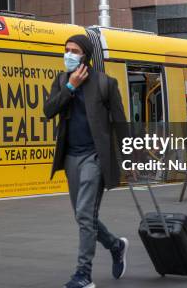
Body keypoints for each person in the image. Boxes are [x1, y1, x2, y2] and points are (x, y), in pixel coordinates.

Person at [44, 34, 129, 288]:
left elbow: (121, 124)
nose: (69, 54)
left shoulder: (105, 84)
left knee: (84, 213)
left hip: (96, 157)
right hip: (71, 157)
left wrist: (130, 159)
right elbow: (48, 111)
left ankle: (83, 275)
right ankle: (115, 246)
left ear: (86, 56)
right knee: (84, 217)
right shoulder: (61, 81)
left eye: (75, 51)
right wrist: (70, 87)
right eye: (66, 49)